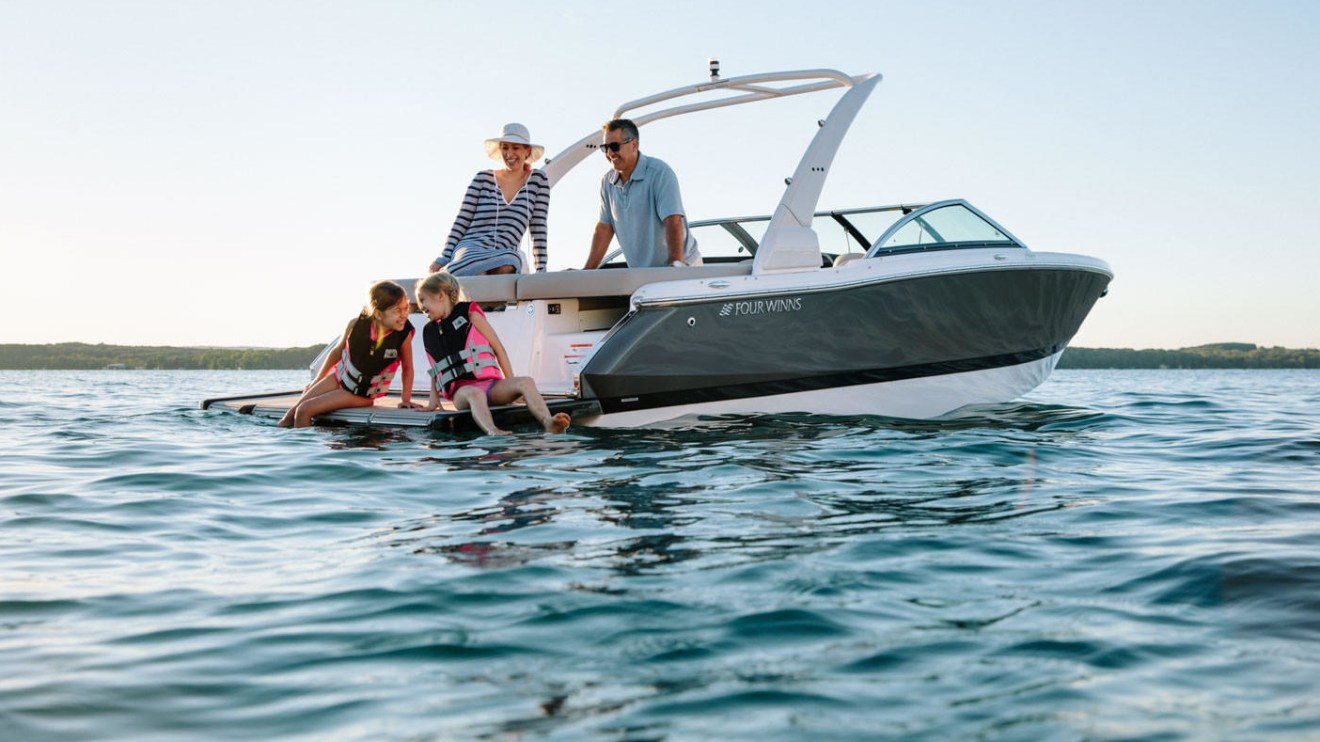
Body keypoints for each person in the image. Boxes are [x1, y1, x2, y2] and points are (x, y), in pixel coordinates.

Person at [414, 271, 570, 436]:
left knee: (526, 382)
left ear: (440, 295)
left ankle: (548, 422)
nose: (421, 306)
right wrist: (433, 401)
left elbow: (498, 348)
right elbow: (436, 370)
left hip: (491, 386)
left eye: (423, 299)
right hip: (462, 392)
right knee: (475, 393)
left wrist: (512, 384)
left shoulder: (472, 316)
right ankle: (492, 430)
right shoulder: (430, 331)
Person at [278, 280, 418, 428]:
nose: (404, 315)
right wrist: (317, 380)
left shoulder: (403, 335)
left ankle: (304, 443)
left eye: (406, 308)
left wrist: (405, 399)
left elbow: (408, 368)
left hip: (362, 394)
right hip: (340, 378)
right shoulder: (355, 325)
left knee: (304, 410)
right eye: (397, 311)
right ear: (378, 314)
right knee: (290, 414)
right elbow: (337, 352)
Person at [429, 123, 551, 276]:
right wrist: (444, 257)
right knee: (479, 272)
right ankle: (451, 275)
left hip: (506, 252)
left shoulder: (537, 180)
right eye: (505, 148)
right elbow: (462, 221)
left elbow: (538, 227)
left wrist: (541, 270)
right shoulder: (482, 178)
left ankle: (456, 277)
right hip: (471, 248)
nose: (509, 153)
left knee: (508, 263)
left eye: (515, 148)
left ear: (527, 151)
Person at [583, 118, 701, 270]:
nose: (610, 153)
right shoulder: (607, 182)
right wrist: (585, 273)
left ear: (634, 145)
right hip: (644, 273)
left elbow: (673, 220)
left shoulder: (659, 172)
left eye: (614, 146)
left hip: (684, 268)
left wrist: (676, 265)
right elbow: (604, 229)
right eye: (605, 148)